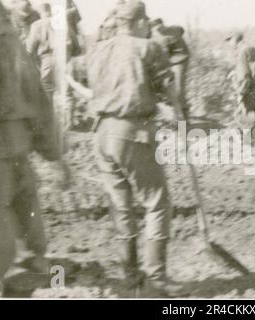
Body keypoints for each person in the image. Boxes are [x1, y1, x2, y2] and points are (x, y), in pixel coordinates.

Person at [83, 0, 184, 298]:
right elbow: (168, 88)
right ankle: (155, 282)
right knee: (157, 202)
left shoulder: (97, 49)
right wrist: (177, 111)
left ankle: (129, 281)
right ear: (140, 22)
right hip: (131, 133)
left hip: (101, 135)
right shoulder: (147, 47)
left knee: (122, 206)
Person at [0, 0, 67, 297]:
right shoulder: (15, 42)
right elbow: (39, 99)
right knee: (25, 217)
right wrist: (55, 154)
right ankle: (28, 265)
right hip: (19, 146)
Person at [150, 18, 191, 120]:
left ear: (161, 25)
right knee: (173, 91)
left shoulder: (168, 34)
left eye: (158, 26)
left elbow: (163, 52)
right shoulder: (161, 34)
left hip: (179, 61)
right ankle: (179, 117)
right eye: (154, 27)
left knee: (177, 91)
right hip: (172, 61)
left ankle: (182, 121)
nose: (157, 29)